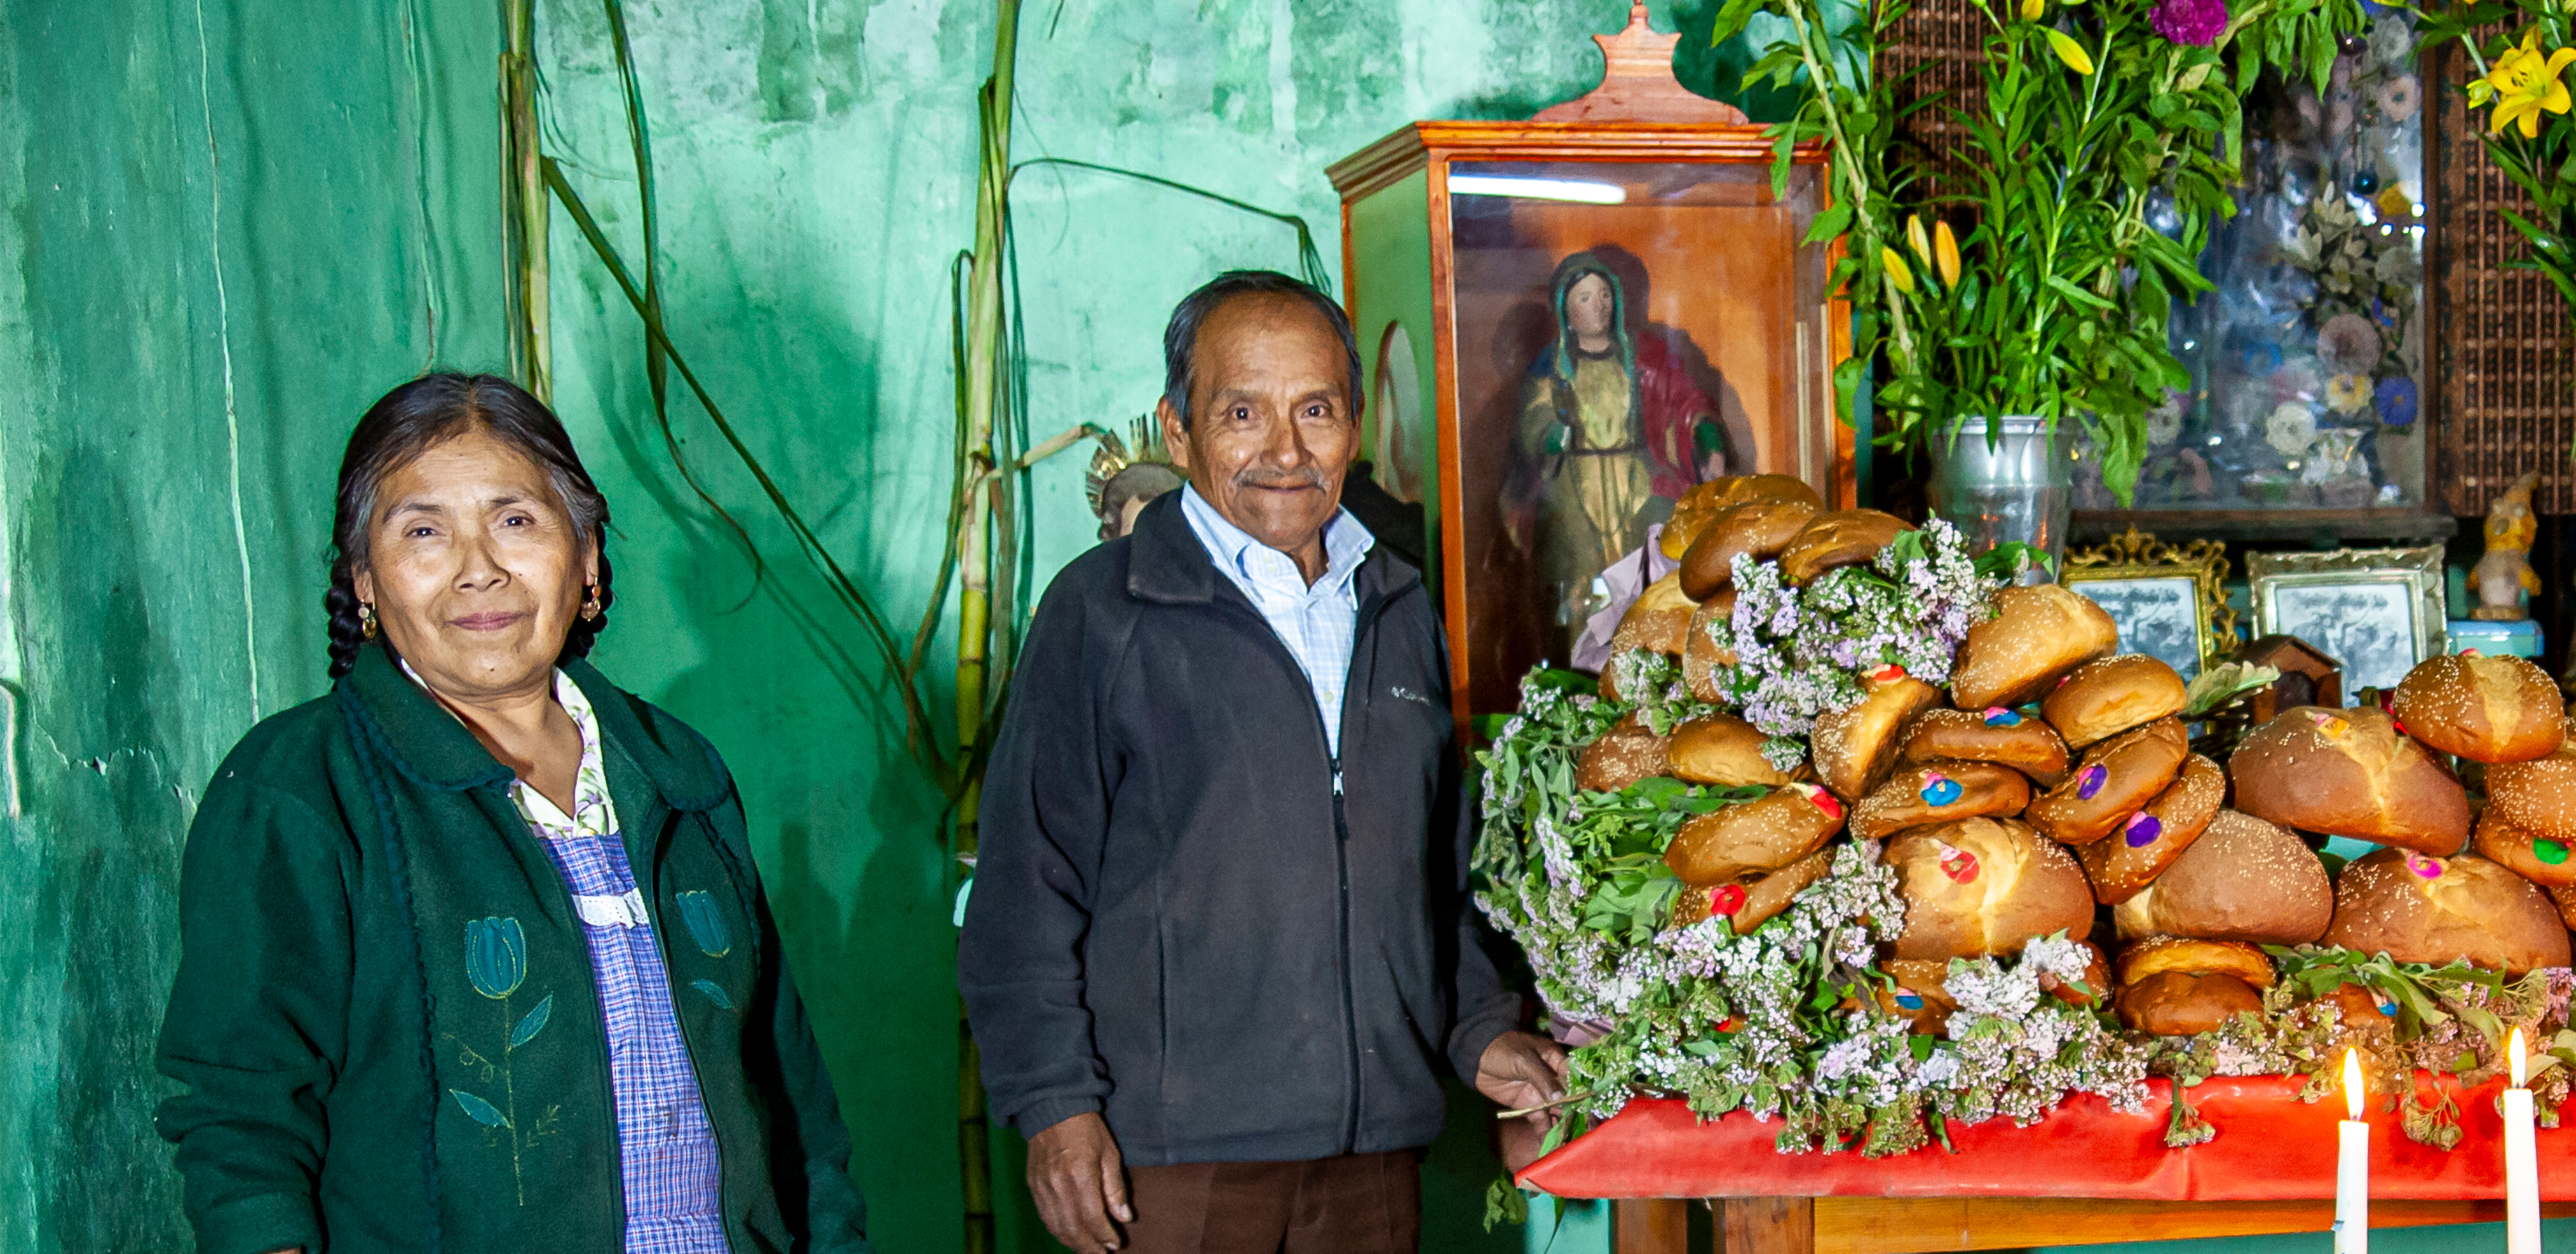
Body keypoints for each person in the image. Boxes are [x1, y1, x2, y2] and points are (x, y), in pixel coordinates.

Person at [155, 373, 869, 1253]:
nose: (478, 567)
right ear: (365, 581)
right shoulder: (300, 790)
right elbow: (243, 1118)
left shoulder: (677, 772)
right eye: (423, 530)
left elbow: (788, 1087)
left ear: (589, 561)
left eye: (516, 520)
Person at [962, 271, 1567, 1254]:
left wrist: (1481, 1030)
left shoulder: (1398, 602)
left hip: (1374, 1156)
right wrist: (1052, 1105)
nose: (1286, 451)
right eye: (1242, 412)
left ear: (1357, 425)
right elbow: (1027, 888)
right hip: (1168, 1162)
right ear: (1178, 431)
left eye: (1316, 410)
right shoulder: (1103, 612)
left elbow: (1433, 879)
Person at [1506, 251, 1732, 630]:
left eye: (1605, 295)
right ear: (1567, 313)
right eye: (1585, 298)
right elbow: (1534, 414)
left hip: (1638, 482)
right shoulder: (1552, 366)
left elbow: (1685, 401)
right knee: (1577, 575)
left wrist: (1705, 435)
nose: (1599, 307)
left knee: (1657, 570)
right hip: (1577, 487)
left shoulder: (1647, 357)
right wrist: (1549, 433)